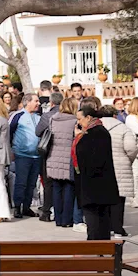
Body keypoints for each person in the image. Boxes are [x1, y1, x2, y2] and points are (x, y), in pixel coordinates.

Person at [73, 98, 119, 240]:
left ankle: (95, 247)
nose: (78, 123)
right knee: (102, 219)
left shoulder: (93, 133)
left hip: (93, 185)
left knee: (95, 220)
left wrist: (78, 138)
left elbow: (85, 156)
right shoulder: (100, 131)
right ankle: (102, 246)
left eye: (80, 119)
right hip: (100, 185)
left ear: (88, 117)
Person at [98, 105, 137, 237]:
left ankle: (106, 227)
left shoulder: (96, 128)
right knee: (119, 200)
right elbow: (131, 148)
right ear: (115, 115)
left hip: (101, 167)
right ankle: (118, 229)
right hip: (120, 166)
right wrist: (128, 160)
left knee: (104, 199)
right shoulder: (123, 128)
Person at [44, 97, 81, 228]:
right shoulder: (75, 121)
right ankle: (67, 219)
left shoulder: (53, 119)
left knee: (56, 188)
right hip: (68, 157)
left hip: (53, 156)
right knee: (69, 189)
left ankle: (58, 219)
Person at [8, 94, 41, 218]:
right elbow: (9, 133)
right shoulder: (17, 116)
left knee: (31, 183)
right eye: (36, 101)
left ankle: (26, 207)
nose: (38, 103)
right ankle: (17, 206)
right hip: (22, 155)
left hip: (36, 156)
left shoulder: (39, 117)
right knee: (21, 182)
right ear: (28, 102)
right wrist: (11, 150)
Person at [35, 91, 65, 222]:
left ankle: (47, 211)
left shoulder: (47, 116)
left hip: (49, 152)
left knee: (48, 183)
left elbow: (38, 132)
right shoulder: (70, 116)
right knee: (64, 184)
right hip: (65, 153)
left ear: (51, 102)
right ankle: (61, 211)